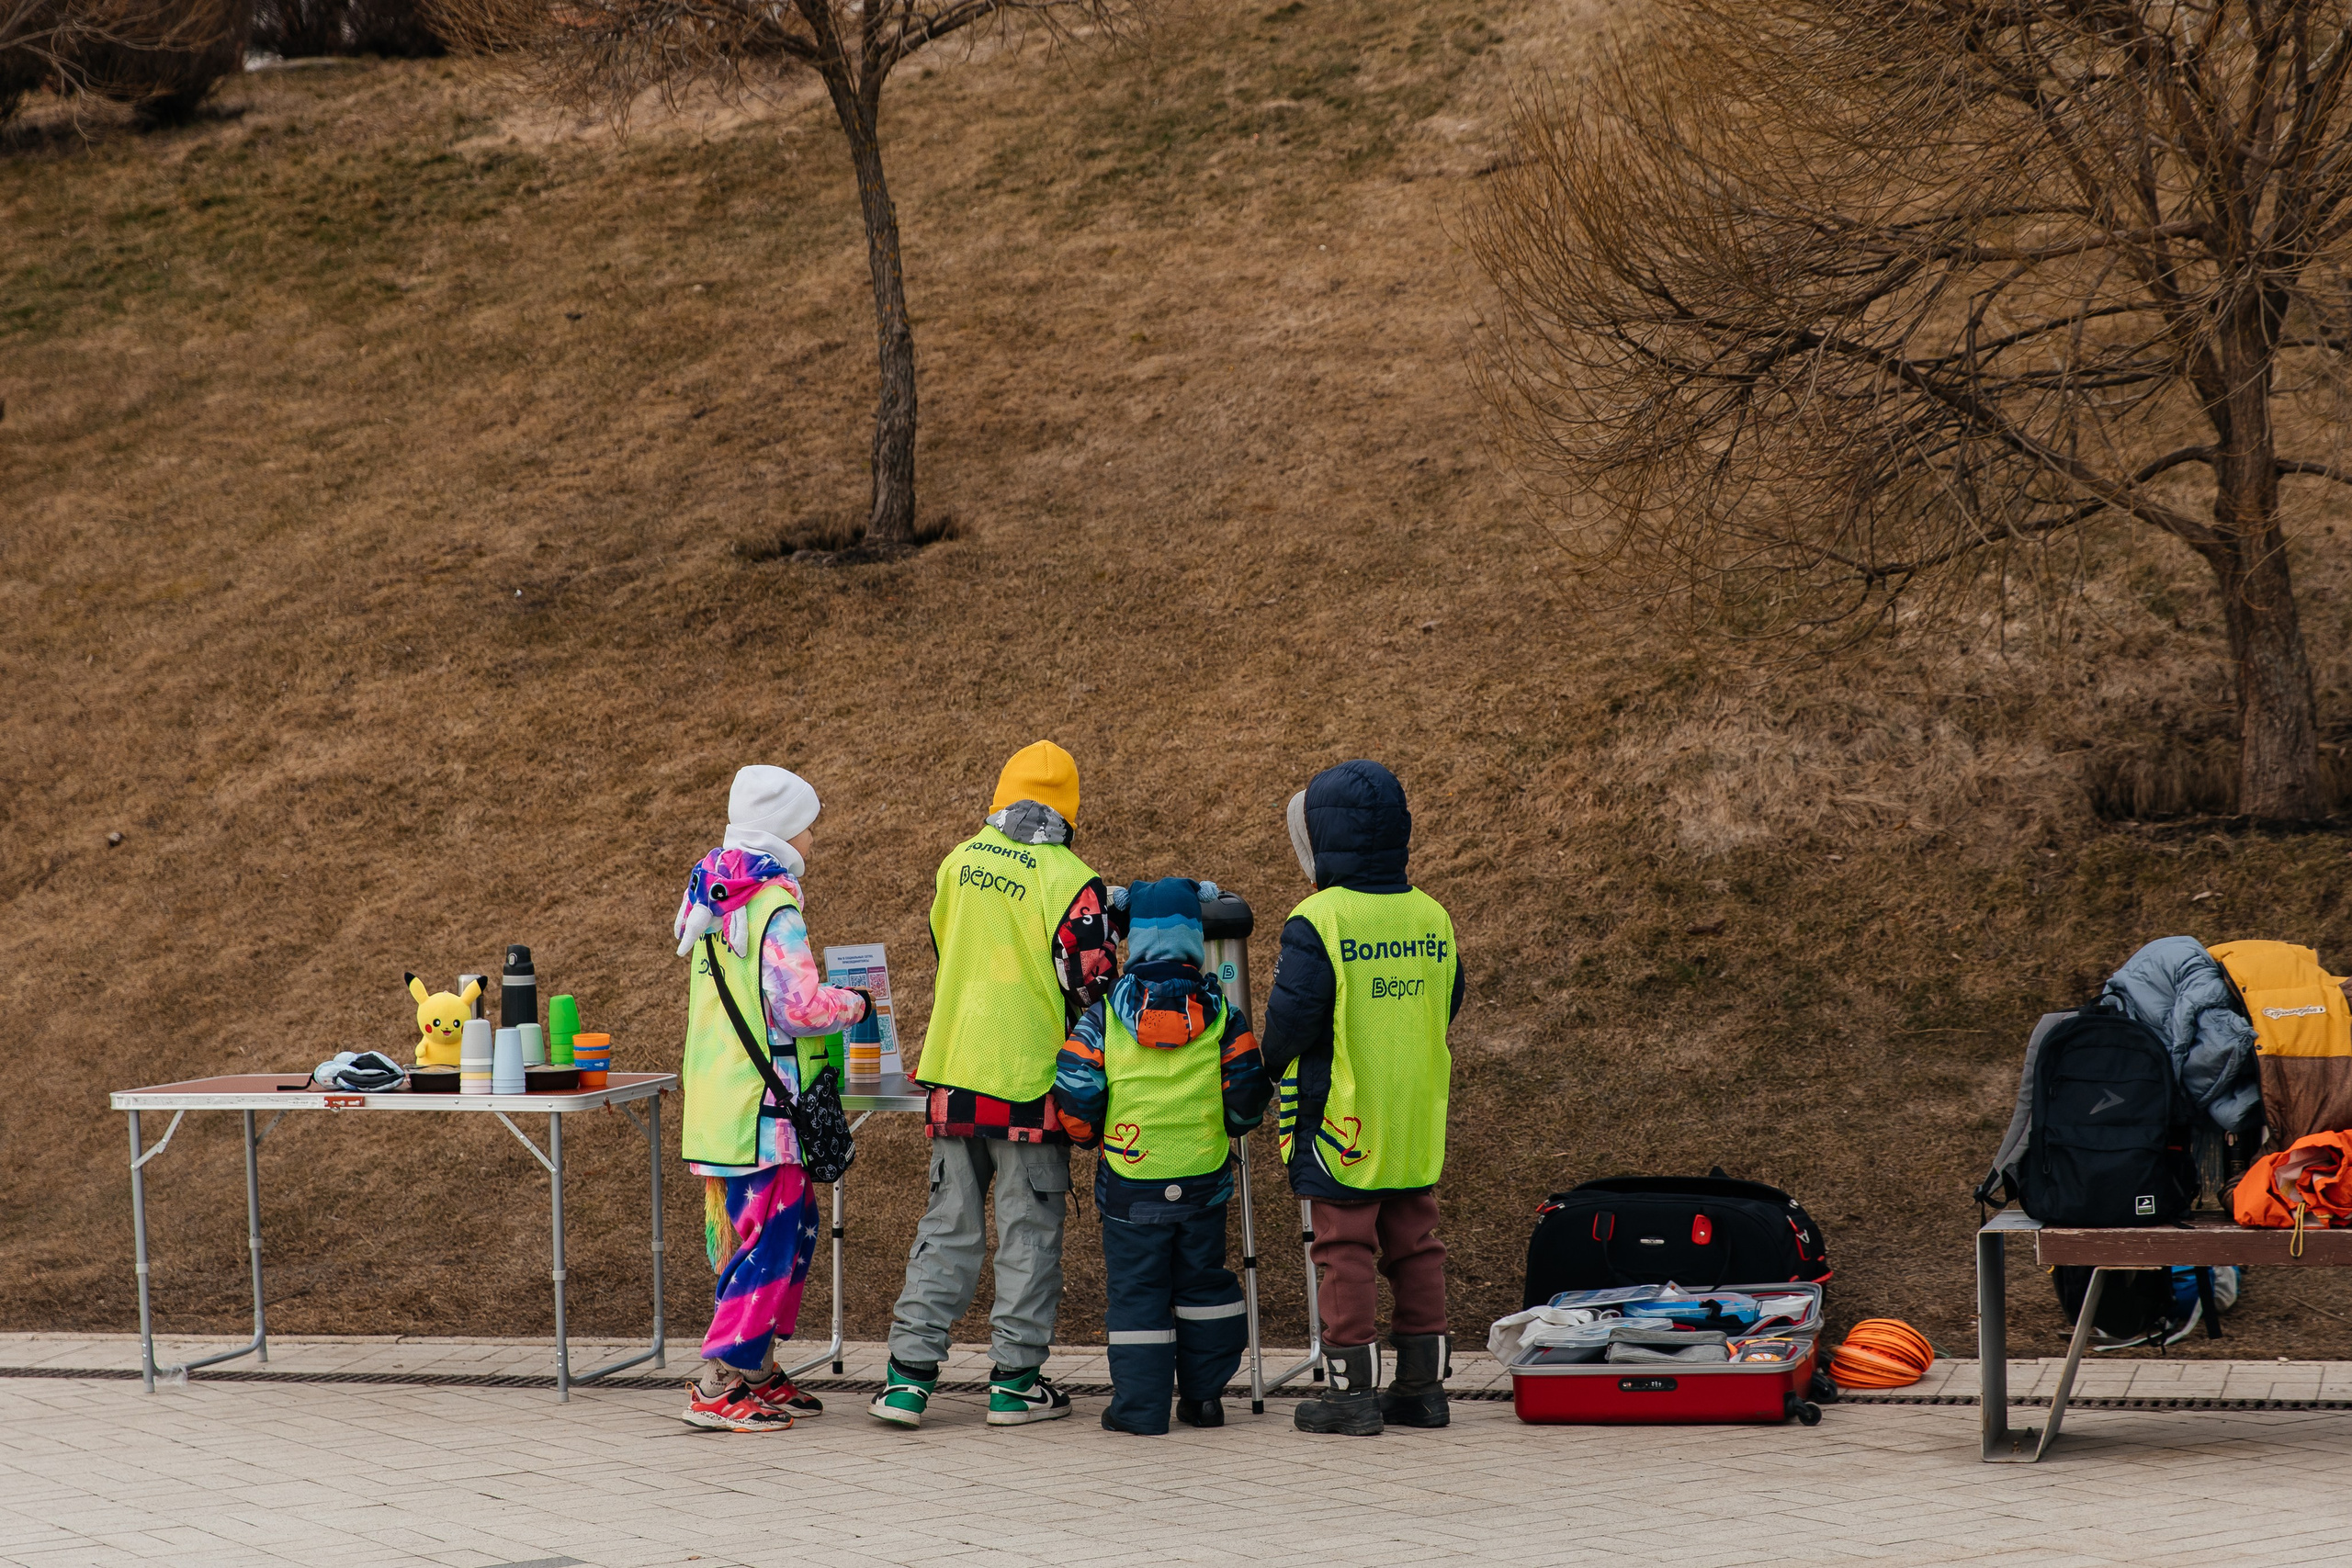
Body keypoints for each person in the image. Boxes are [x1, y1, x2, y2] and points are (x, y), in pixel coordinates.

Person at [872, 740, 1124, 1428]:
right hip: (1032, 1082)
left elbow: (946, 943)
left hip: (956, 1071)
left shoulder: (960, 860)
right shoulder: (1072, 877)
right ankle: (1014, 1384)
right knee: (1027, 1234)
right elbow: (1089, 980)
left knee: (946, 1227)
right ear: (1068, 808)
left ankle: (906, 1380)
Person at [1261, 760, 1464, 1437]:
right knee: (1416, 1242)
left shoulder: (1320, 916)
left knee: (1343, 1245)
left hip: (1343, 1113)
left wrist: (1264, 1065)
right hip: (1413, 1111)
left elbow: (1293, 1021)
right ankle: (1424, 1388)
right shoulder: (1432, 914)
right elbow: (1449, 998)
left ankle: (1351, 1393)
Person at [673, 765, 873, 1432]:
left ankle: (753, 1361)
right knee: (771, 1241)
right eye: (809, 825)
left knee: (786, 1229)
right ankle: (718, 1379)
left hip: (723, 1103)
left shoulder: (715, 897)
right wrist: (856, 1003)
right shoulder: (772, 907)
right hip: (765, 1110)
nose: (815, 838)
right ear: (786, 829)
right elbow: (798, 1007)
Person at [1054, 877, 1272, 1435]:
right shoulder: (1222, 1015)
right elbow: (1248, 1091)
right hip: (1203, 1181)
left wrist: (1087, 1137)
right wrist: (1231, 1128)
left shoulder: (1104, 1016)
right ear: (1196, 941)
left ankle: (1140, 1410)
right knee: (1203, 1286)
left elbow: (1075, 1089)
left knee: (1138, 1295)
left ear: (1136, 943)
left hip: (1131, 1184)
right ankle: (1204, 1400)